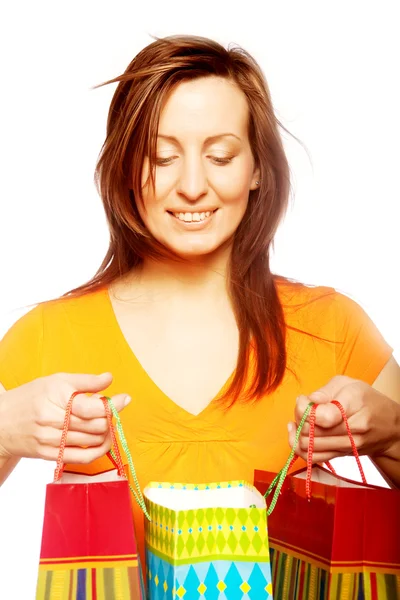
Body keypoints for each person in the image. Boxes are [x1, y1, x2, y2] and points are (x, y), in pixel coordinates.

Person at [0, 35, 399, 573]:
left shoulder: (334, 325)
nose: (192, 185)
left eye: (220, 156)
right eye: (162, 157)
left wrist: (393, 431)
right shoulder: (48, 334)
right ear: (125, 170)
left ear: (258, 169)